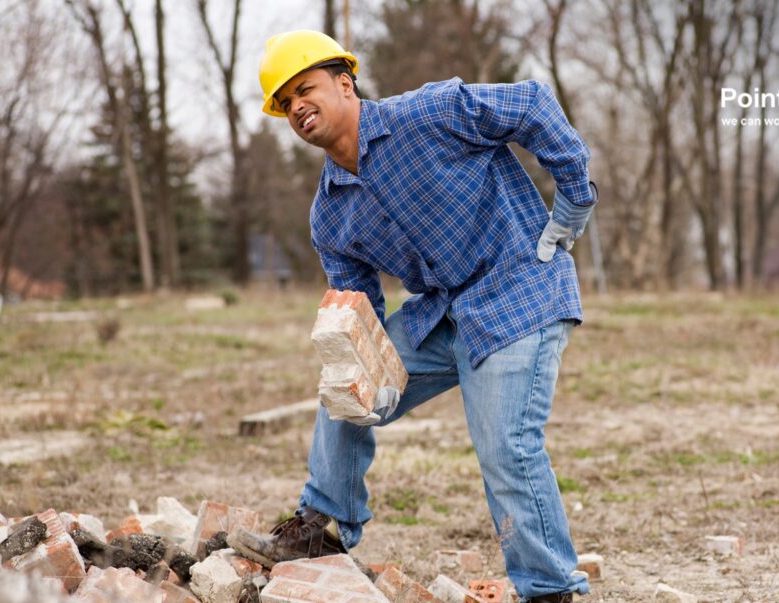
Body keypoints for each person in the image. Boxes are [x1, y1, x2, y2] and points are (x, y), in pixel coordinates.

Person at [233, 30, 598, 603]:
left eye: (306, 89)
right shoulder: (330, 214)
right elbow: (360, 320)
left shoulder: (430, 113)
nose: (298, 107)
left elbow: (531, 103)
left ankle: (551, 590)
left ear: (345, 84)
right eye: (285, 104)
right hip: (440, 315)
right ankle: (323, 527)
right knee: (344, 385)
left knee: (507, 447)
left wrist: (575, 192)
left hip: (518, 291)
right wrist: (367, 381)